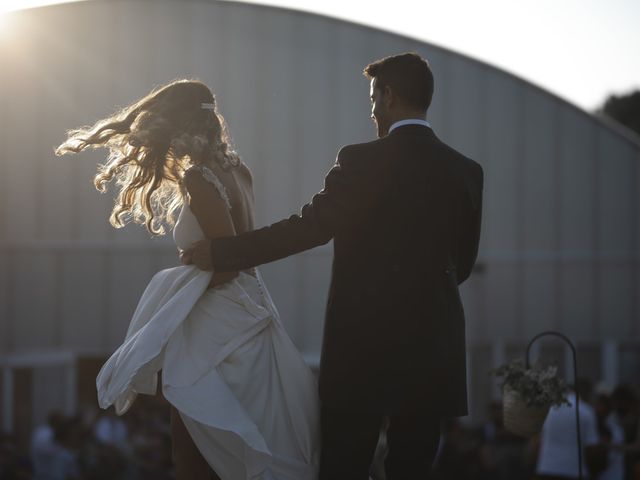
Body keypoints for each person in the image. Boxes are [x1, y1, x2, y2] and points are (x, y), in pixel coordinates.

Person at [185, 52, 485, 479]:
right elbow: (464, 265)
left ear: (388, 96)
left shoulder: (362, 161)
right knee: (413, 469)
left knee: (343, 468)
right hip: (433, 350)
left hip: (362, 346)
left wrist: (222, 252)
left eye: (373, 99)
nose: (372, 111)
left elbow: (308, 228)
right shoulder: (466, 171)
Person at [56, 79, 320, 479]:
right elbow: (239, 253)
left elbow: (228, 262)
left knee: (193, 446)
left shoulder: (199, 177)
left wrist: (178, 290)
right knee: (230, 437)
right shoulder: (238, 169)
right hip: (249, 311)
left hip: (218, 326)